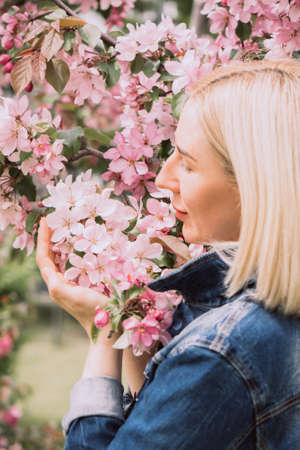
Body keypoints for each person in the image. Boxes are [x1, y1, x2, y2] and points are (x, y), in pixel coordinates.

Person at [36, 59, 300, 449]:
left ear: (253, 183)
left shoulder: (221, 350)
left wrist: (102, 334)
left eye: (188, 164)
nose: (162, 179)